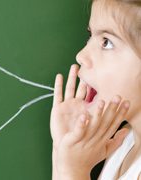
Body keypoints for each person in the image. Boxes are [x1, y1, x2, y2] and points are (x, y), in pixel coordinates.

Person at [50, 0, 141, 179]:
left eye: (106, 42)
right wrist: (63, 151)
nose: (81, 56)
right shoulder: (123, 141)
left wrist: (73, 171)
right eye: (90, 36)